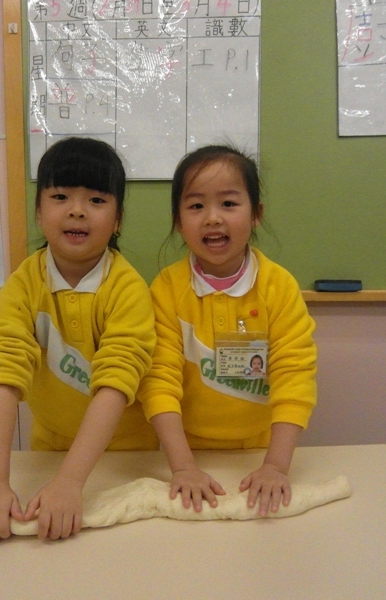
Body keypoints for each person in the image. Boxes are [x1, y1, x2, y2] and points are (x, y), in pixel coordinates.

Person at [0, 137, 158, 542]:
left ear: (118, 220)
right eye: (60, 196)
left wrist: (71, 482)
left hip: (129, 455)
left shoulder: (127, 289)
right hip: (49, 449)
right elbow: (3, 373)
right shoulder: (23, 284)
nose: (77, 210)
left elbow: (116, 382)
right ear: (39, 212)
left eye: (97, 200)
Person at [138, 144, 317, 517]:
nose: (212, 218)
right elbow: (159, 382)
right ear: (178, 220)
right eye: (196, 206)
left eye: (229, 204)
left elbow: (294, 377)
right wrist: (183, 467)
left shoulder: (279, 287)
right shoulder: (166, 289)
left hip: (259, 451)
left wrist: (276, 466)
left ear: (256, 215)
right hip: (187, 453)